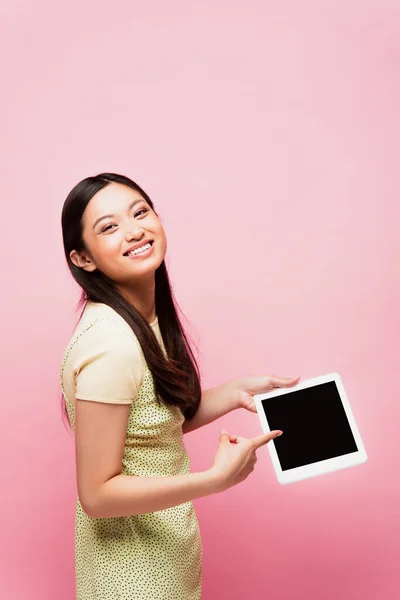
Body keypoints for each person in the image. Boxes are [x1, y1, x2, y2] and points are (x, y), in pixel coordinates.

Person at [59, 172, 300, 600]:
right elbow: (96, 495)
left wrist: (234, 392)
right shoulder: (111, 344)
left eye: (140, 212)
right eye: (109, 227)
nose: (135, 230)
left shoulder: (141, 320)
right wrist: (215, 479)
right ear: (83, 259)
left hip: (165, 557)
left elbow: (147, 427)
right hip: (132, 576)